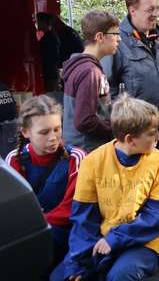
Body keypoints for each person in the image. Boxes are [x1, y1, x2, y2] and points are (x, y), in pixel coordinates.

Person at [51, 95, 159, 281]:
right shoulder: (92, 162)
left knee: (119, 276)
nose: (158, 136)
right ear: (130, 139)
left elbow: (158, 215)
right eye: (152, 133)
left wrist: (114, 239)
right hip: (105, 238)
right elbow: (84, 219)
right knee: (61, 277)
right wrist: (77, 264)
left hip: (149, 240)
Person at [102, 0, 159, 164]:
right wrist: (126, 122)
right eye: (150, 9)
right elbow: (107, 90)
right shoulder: (118, 42)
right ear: (132, 10)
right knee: (140, 189)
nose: (156, 14)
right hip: (137, 136)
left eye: (157, 8)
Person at [6, 95, 86, 274]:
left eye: (57, 129)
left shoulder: (76, 158)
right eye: (44, 132)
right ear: (25, 132)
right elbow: (14, 209)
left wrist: (38, 227)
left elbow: (73, 207)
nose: (53, 138)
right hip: (26, 232)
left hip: (64, 234)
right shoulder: (14, 159)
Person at [62, 10, 120, 152]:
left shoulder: (84, 66)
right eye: (115, 34)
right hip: (87, 151)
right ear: (100, 37)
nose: (119, 39)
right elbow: (84, 121)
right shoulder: (90, 72)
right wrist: (116, 128)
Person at [37, 12, 61, 92]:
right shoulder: (50, 35)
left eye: (39, 22)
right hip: (51, 72)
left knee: (51, 96)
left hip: (50, 72)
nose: (38, 24)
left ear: (44, 22)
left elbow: (50, 56)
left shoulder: (49, 37)